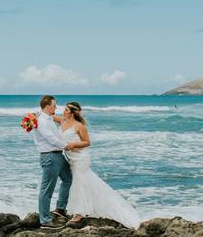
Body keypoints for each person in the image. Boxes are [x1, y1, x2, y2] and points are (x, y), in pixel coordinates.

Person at [60, 101, 141, 229]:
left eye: (66, 110)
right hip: (71, 158)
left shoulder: (79, 126)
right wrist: (32, 117)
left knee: (79, 182)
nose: (63, 111)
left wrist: (73, 145)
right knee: (83, 182)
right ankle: (85, 208)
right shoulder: (63, 121)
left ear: (72, 113)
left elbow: (87, 142)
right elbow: (47, 115)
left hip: (80, 158)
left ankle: (80, 213)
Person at [32, 95, 72, 229]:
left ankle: (60, 209)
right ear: (48, 107)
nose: (56, 108)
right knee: (47, 189)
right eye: (54, 106)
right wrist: (66, 145)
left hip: (58, 155)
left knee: (68, 178)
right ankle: (45, 220)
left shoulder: (47, 118)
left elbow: (57, 133)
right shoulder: (42, 121)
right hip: (49, 156)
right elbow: (51, 139)